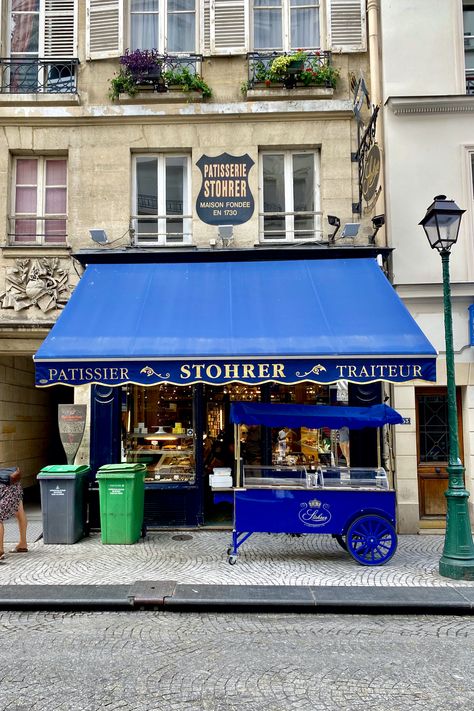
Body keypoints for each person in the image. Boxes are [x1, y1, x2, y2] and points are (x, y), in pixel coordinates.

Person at [0, 467, 28, 563]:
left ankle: (0, 551)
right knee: (20, 512)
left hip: (4, 486)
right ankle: (22, 544)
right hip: (13, 482)